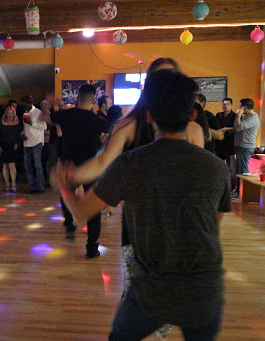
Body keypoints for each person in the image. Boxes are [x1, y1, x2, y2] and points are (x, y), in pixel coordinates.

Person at [57, 69, 230, 340]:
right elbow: (213, 226)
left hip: (150, 290)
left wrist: (64, 186)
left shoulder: (130, 164)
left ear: (149, 116)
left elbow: (81, 212)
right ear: (193, 116)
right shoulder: (217, 169)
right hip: (205, 289)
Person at [40, 84, 108, 259]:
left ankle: (70, 226)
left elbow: (43, 117)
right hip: (89, 168)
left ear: (78, 98)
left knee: (66, 194)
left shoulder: (67, 114)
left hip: (69, 165)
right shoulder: (97, 120)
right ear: (93, 100)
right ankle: (91, 248)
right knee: (93, 210)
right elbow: (109, 134)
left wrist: (50, 105)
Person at [21, 95, 47, 194]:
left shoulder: (38, 112)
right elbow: (26, 128)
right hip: (27, 142)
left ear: (30, 103)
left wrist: (31, 123)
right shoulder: (25, 113)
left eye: (25, 103)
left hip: (37, 141)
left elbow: (44, 127)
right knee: (28, 165)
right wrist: (22, 134)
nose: (23, 105)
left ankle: (40, 187)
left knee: (37, 165)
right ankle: (32, 187)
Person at [0, 106, 21, 192]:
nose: (10, 115)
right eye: (8, 113)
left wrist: (17, 143)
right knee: (5, 165)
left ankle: (13, 183)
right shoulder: (1, 122)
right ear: (6, 113)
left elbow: (19, 134)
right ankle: (7, 183)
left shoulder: (17, 123)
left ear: (14, 114)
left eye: (11, 113)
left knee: (12, 165)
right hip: (3, 146)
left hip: (13, 146)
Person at [233, 98, 260, 176]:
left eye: (240, 106)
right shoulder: (247, 116)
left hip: (245, 146)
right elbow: (236, 127)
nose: (239, 108)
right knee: (239, 170)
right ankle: (239, 187)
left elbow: (238, 127)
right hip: (241, 146)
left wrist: (238, 115)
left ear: (244, 107)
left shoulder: (252, 118)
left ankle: (244, 187)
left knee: (243, 171)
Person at [215, 98, 237, 189]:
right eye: (224, 104)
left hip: (230, 145)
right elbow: (215, 126)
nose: (225, 106)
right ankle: (218, 187)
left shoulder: (235, 116)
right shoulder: (218, 115)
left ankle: (231, 188)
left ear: (231, 105)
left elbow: (237, 128)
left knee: (231, 168)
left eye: (228, 104)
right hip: (219, 145)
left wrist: (226, 129)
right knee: (217, 167)